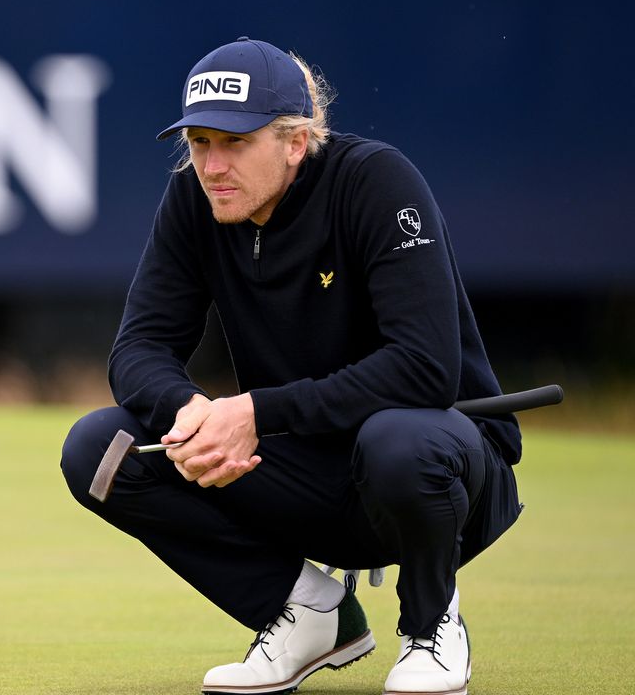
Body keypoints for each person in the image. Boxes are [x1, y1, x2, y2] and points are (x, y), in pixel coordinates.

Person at [60, 37, 524, 695]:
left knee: (397, 439)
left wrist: (254, 412)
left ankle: (431, 624)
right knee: (101, 451)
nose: (213, 165)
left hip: (440, 472)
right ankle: (308, 613)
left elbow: (424, 369)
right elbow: (137, 350)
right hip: (300, 472)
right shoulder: (196, 200)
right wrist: (194, 416)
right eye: (199, 143)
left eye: (235, 142)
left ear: (296, 141)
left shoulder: (376, 182)